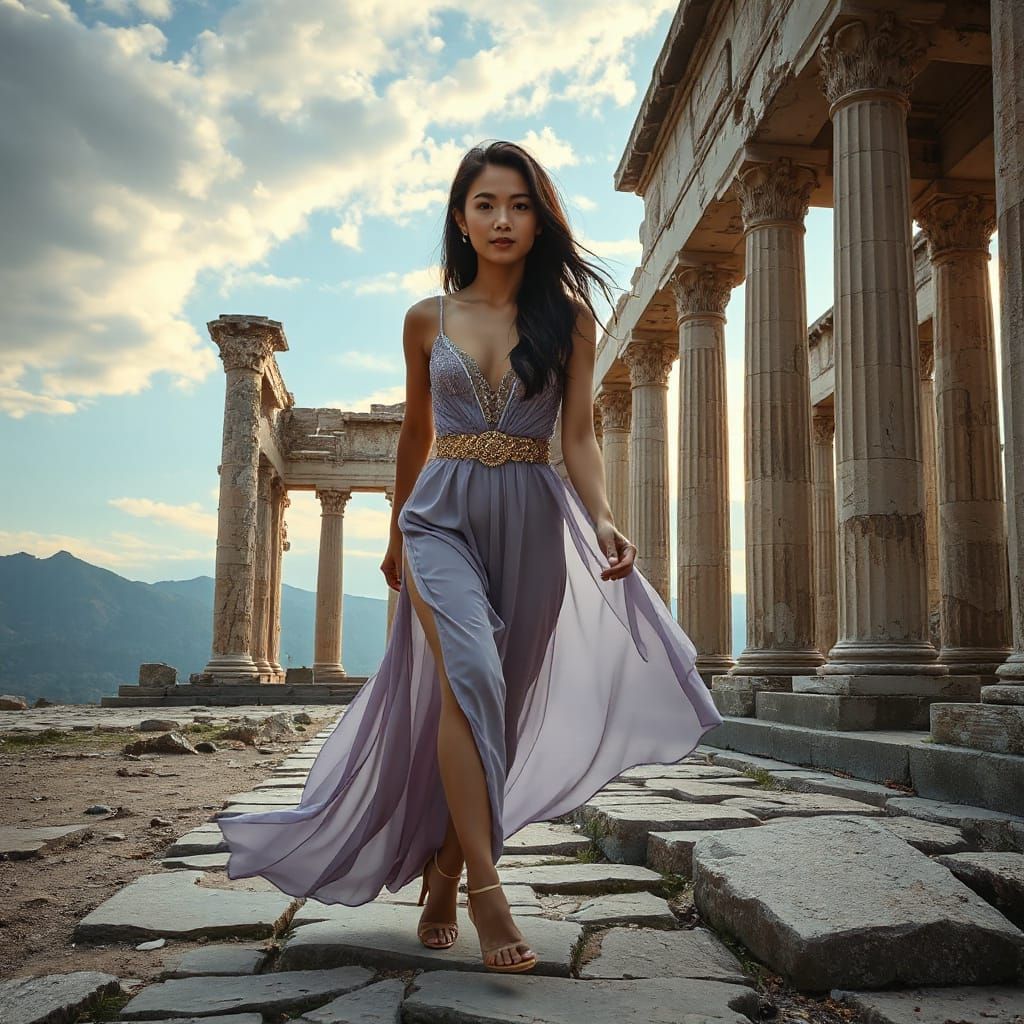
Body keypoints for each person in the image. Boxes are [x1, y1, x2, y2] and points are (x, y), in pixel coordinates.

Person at [218, 140, 723, 976]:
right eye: (485, 204)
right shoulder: (427, 317)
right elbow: (417, 436)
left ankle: (446, 869)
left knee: (501, 706)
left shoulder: (570, 320)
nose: (501, 220)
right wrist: (394, 535)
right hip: (439, 518)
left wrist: (600, 518)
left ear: (539, 219)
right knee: (472, 677)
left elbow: (581, 438)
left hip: (532, 517)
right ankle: (490, 890)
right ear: (461, 217)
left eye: (519, 205)